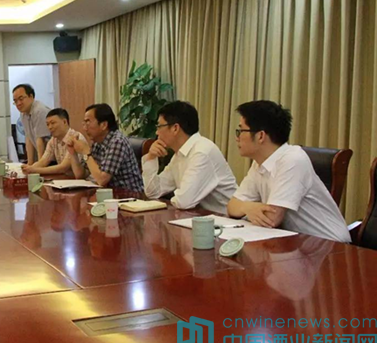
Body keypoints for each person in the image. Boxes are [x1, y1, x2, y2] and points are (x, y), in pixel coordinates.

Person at [228, 100, 350, 243]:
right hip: (297, 242)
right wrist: (248, 207)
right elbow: (231, 207)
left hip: (330, 245)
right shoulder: (259, 163)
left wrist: (245, 208)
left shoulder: (292, 160)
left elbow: (271, 218)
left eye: (241, 131)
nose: (237, 137)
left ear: (260, 136)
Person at [142, 101, 238, 215]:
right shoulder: (180, 154)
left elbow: (184, 202)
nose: (157, 132)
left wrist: (167, 203)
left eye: (159, 126)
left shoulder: (202, 152)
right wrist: (151, 157)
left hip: (228, 220)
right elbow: (153, 192)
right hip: (203, 218)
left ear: (175, 128)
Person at [67, 103, 144, 192]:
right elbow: (81, 175)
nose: (85, 128)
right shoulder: (97, 142)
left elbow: (102, 180)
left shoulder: (117, 142)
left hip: (131, 196)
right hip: (110, 194)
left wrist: (86, 152)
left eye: (88, 122)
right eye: (84, 123)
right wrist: (72, 153)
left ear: (103, 125)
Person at [22, 108, 87, 178]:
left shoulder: (75, 138)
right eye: (47, 124)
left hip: (81, 181)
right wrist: (29, 168)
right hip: (65, 179)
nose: (50, 127)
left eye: (53, 123)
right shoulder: (53, 140)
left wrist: (35, 170)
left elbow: (63, 167)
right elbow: (43, 161)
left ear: (64, 122)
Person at [12, 84, 51, 165]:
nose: (18, 103)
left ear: (31, 96)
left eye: (21, 99)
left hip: (52, 159)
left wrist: (40, 166)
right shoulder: (23, 113)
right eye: (15, 101)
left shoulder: (40, 111)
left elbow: (41, 140)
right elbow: (28, 138)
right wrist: (29, 163)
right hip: (43, 158)